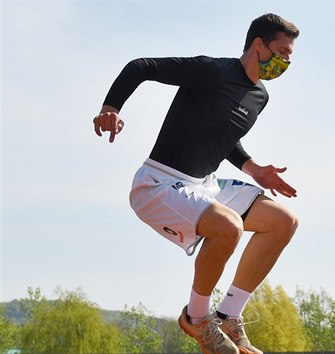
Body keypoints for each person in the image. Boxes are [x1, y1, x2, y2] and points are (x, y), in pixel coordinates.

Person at [92, 13, 300, 354]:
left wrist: (252, 168)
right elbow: (141, 66)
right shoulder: (213, 71)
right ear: (258, 45)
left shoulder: (259, 97)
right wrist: (111, 107)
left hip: (203, 184)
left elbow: (221, 133)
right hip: (158, 184)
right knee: (229, 227)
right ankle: (197, 319)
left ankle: (229, 316)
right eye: (281, 51)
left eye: (290, 56)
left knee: (283, 221)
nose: (285, 62)